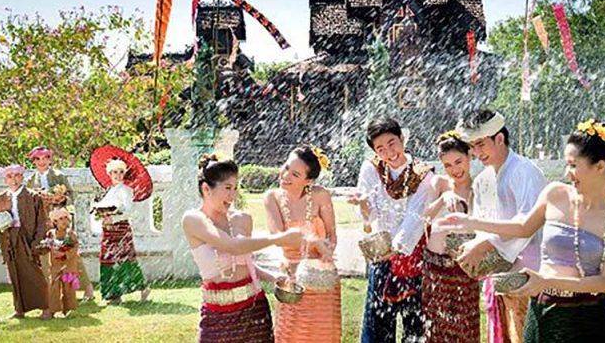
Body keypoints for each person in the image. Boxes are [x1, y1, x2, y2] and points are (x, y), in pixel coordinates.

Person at [440, 119, 605, 342]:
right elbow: (523, 228)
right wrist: (471, 222)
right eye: (567, 164)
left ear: (600, 167)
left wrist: (546, 281)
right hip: (543, 311)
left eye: (573, 165)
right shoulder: (555, 194)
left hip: (589, 319)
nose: (567, 173)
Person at [450, 109, 547, 343]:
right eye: (472, 146)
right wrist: (474, 244)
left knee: (528, 334)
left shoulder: (524, 171)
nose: (476, 152)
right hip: (498, 272)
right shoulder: (482, 180)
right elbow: (482, 225)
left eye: (481, 144)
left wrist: (485, 243)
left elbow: (528, 225)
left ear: (500, 138)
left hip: (532, 270)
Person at [182, 155, 302, 343]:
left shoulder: (241, 219)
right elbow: (233, 247)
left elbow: (245, 263)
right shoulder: (193, 220)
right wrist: (280, 238)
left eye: (236, 188)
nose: (233, 195)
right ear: (206, 189)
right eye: (227, 188)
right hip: (216, 315)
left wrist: (274, 277)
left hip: (254, 310)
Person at [347, 116, 436, 343]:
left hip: (413, 255)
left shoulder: (423, 174)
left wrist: (396, 248)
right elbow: (370, 215)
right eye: (380, 148)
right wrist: (364, 206)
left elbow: (416, 217)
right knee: (377, 322)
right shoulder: (371, 169)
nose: (389, 152)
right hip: (382, 254)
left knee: (415, 324)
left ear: (402, 139)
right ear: (375, 151)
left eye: (392, 143)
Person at [264, 145, 341, 342]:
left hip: (321, 276)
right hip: (292, 278)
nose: (286, 176)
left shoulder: (320, 195)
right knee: (292, 334)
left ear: (308, 180)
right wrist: (313, 241)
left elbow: (332, 235)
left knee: (322, 335)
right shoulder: (272, 198)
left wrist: (327, 252)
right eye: (286, 167)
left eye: (295, 174)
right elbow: (278, 237)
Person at [420, 131, 480, 342]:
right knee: (436, 327)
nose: (455, 170)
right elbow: (424, 217)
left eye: (458, 162)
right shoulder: (439, 183)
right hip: (436, 266)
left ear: (469, 156)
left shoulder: (479, 187)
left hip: (466, 266)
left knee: (465, 327)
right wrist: (444, 198)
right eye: (448, 165)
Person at [0, 164, 51, 320]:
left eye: (16, 175)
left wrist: (37, 243)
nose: (13, 180)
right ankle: (19, 309)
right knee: (14, 274)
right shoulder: (0, 199)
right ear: (5, 180)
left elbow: (42, 222)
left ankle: (46, 308)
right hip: (9, 240)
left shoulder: (33, 196)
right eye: (9, 176)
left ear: (22, 177)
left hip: (27, 238)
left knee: (34, 274)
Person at [25, 145, 94, 301]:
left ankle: (87, 286)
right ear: (34, 161)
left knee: (69, 253)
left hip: (60, 221)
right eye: (38, 159)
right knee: (44, 254)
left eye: (45, 158)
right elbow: (28, 203)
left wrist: (61, 199)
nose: (41, 162)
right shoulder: (30, 181)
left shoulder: (59, 176)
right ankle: (52, 290)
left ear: (50, 159)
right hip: (42, 222)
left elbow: (71, 197)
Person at [92, 159, 150, 304]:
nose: (118, 175)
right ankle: (113, 293)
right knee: (108, 260)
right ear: (109, 174)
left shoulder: (126, 190)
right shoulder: (108, 190)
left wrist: (113, 218)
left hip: (121, 229)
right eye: (114, 172)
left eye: (121, 172)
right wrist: (102, 214)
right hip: (108, 231)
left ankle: (142, 287)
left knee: (125, 260)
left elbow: (128, 211)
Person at [45, 207, 80, 317]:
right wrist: (53, 250)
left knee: (68, 287)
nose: (64, 221)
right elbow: (48, 245)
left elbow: (75, 248)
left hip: (68, 265)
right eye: (61, 219)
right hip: (55, 265)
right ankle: (52, 309)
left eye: (66, 218)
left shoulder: (71, 234)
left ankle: (69, 309)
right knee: (53, 287)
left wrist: (65, 254)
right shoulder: (51, 234)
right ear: (55, 221)